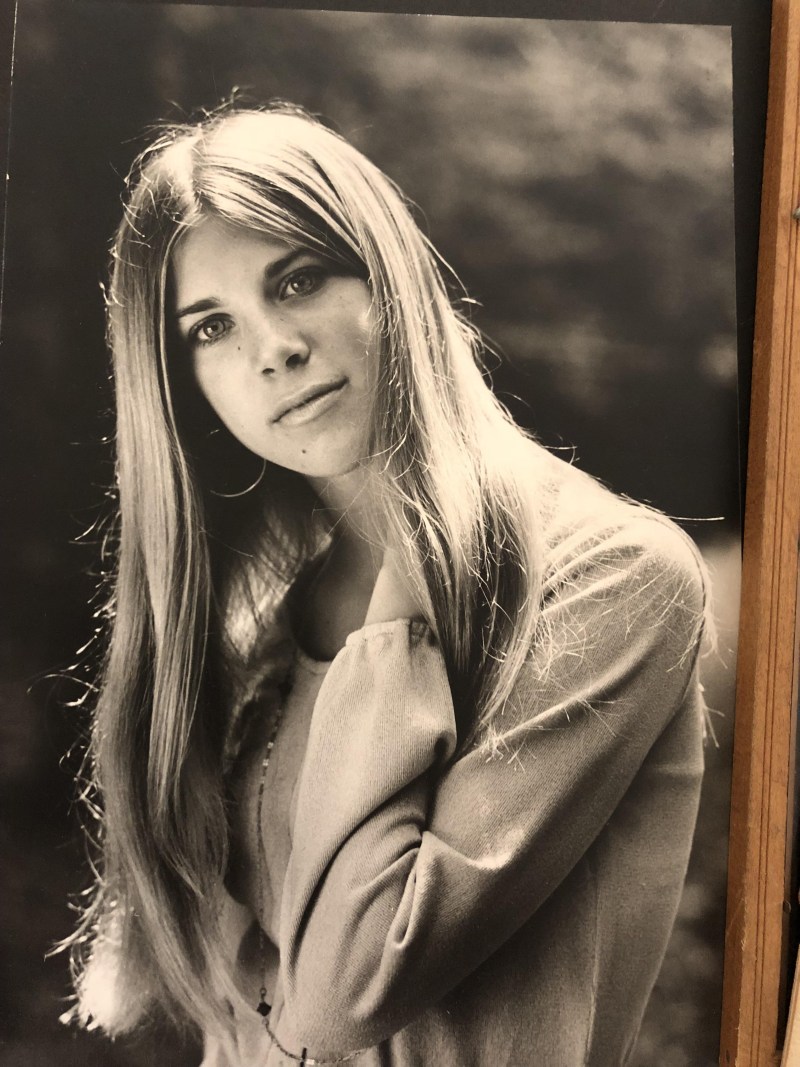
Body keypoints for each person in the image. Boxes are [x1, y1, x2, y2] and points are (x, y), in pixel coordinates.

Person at [63, 104, 709, 1067]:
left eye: (298, 278)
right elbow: (241, 1021)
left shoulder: (611, 579)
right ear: (181, 384)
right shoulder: (263, 621)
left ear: (387, 275)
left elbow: (345, 994)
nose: (272, 347)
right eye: (210, 326)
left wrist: (406, 582)